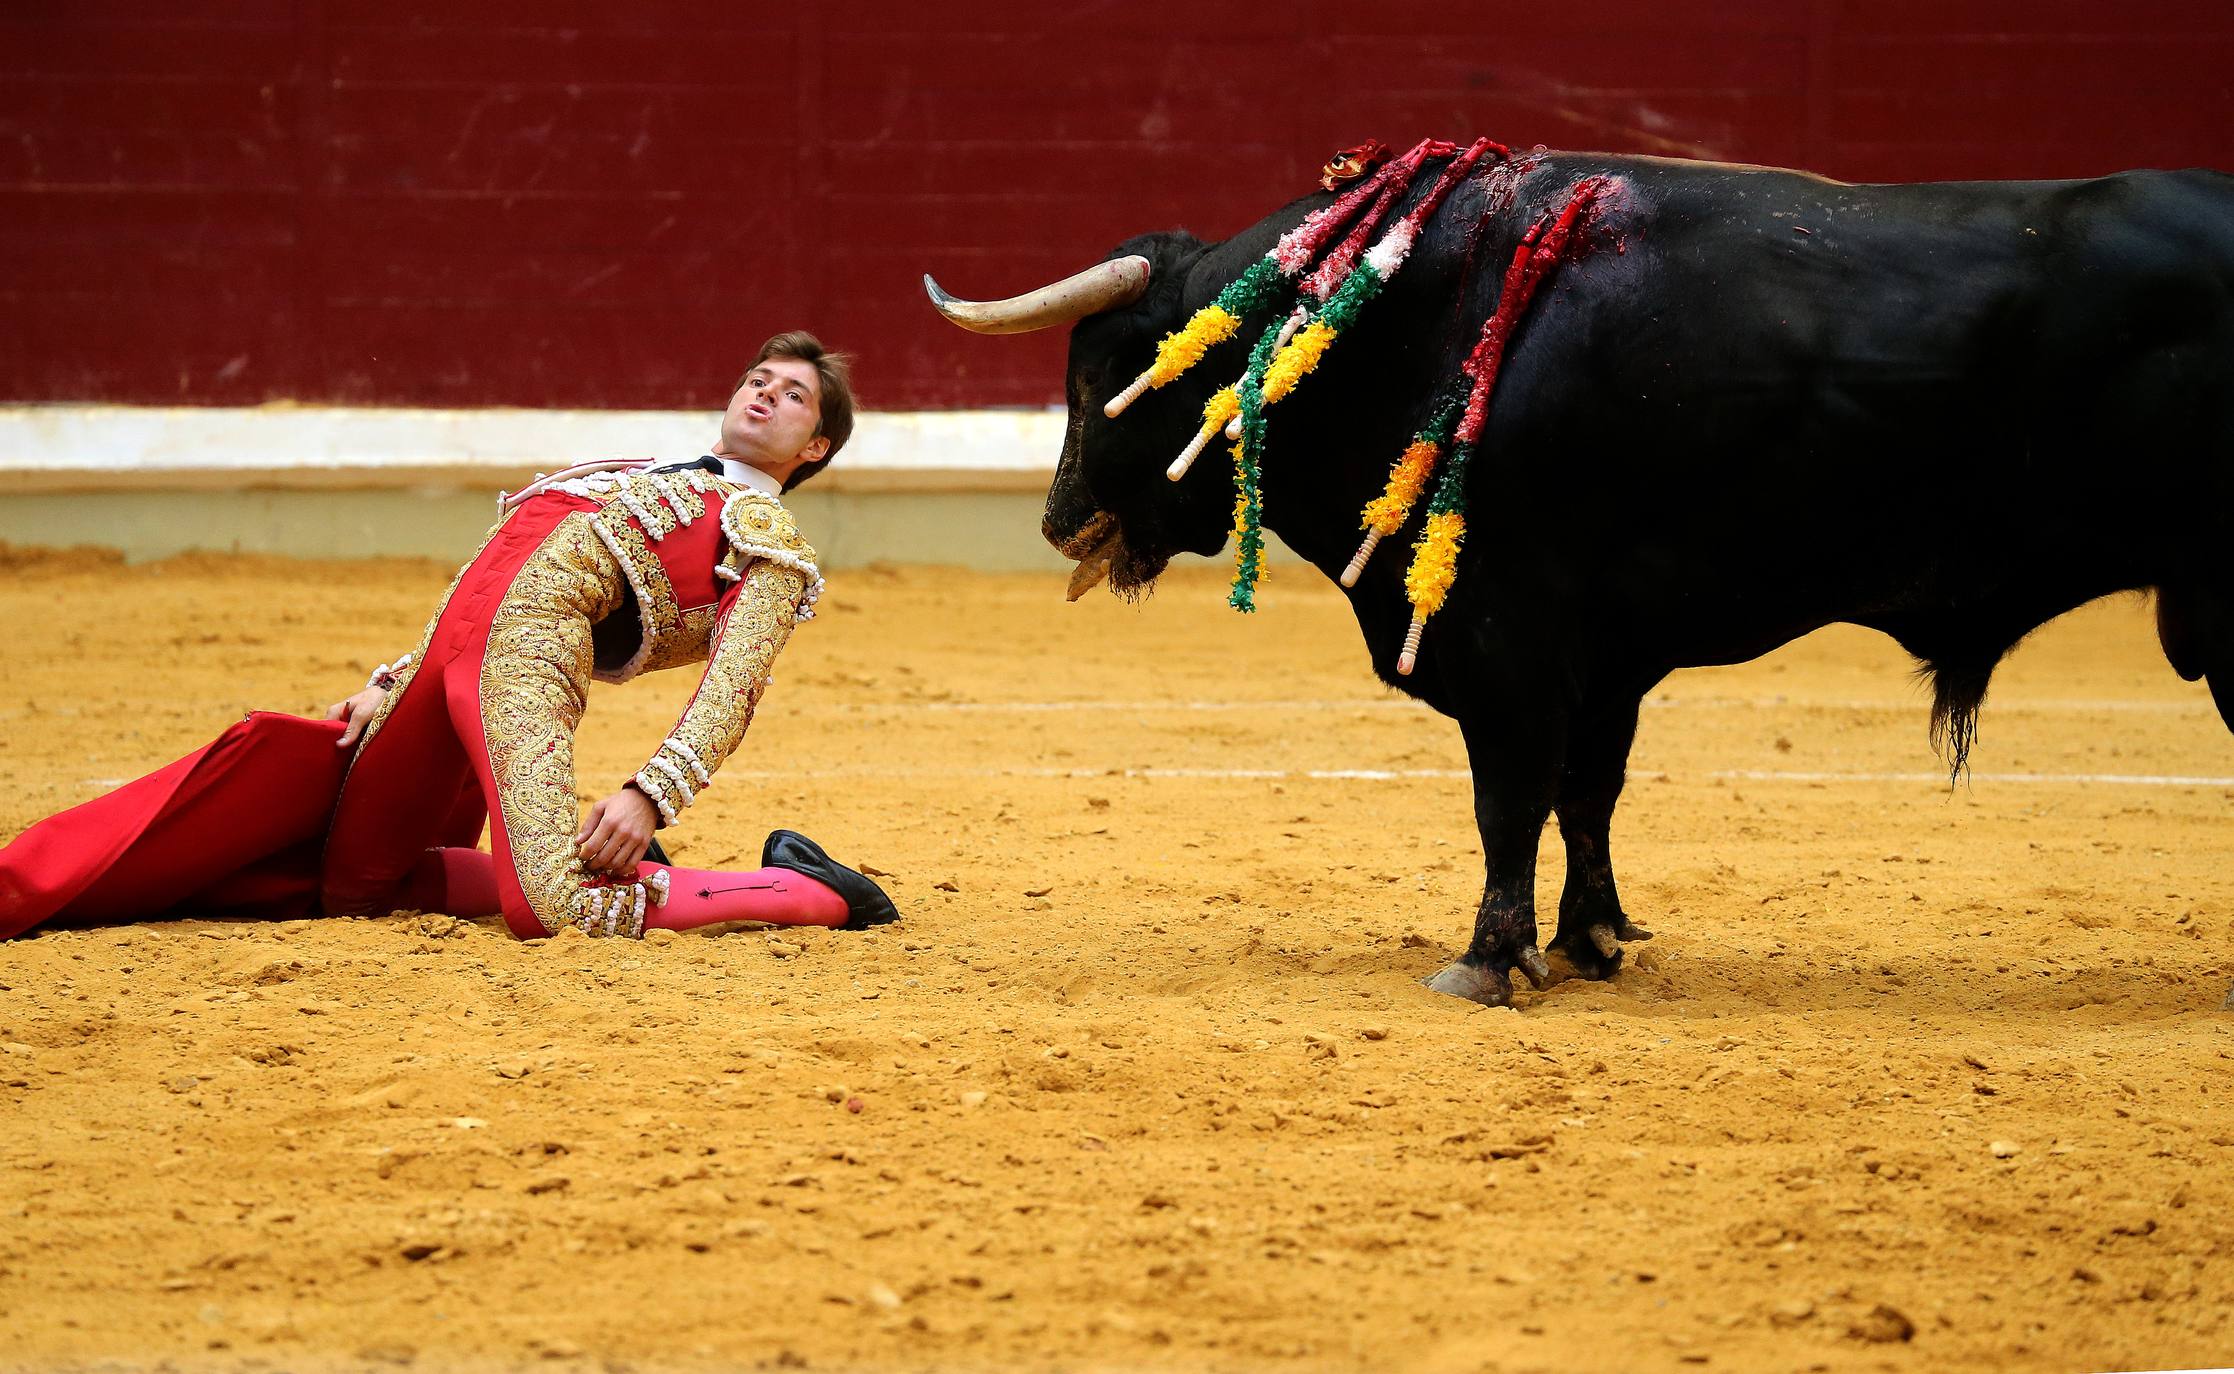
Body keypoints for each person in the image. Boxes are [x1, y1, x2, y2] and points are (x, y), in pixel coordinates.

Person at [0, 331, 895, 942]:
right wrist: (394, 677)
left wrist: (647, 797)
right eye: (758, 380)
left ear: (814, 449)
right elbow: (490, 572)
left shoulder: (768, 539)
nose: (764, 395)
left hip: (529, 666)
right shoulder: (634, 471)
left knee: (554, 907)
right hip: (444, 664)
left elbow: (732, 687)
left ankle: (815, 891)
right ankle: (625, 866)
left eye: (793, 397)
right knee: (358, 886)